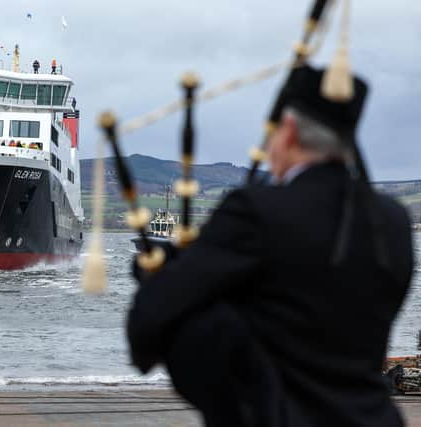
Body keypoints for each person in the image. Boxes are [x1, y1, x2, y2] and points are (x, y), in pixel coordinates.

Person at [127, 65, 413, 426]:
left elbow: (153, 320)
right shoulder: (394, 221)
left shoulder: (256, 208)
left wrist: (158, 273)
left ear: (288, 131)